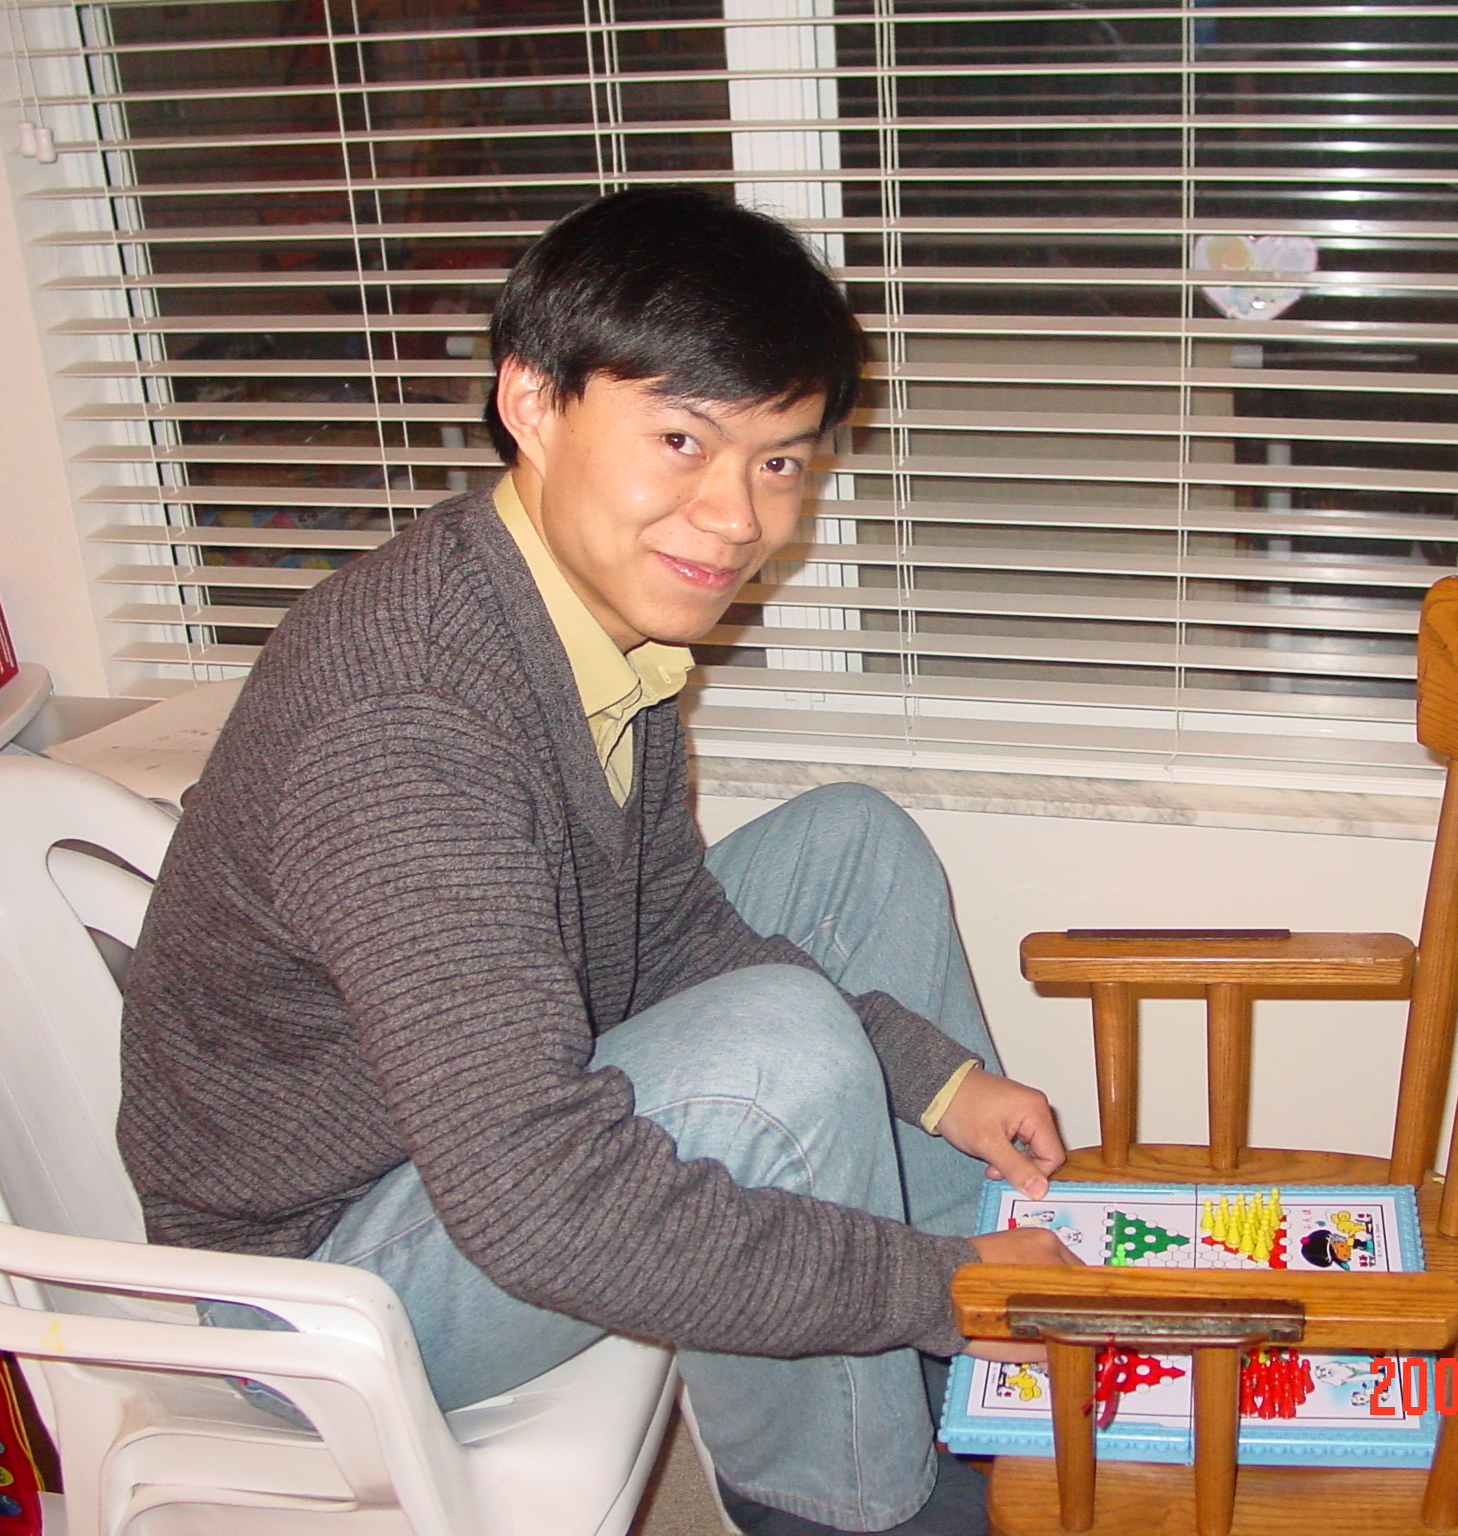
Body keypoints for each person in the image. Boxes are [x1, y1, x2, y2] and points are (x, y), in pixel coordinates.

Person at [117, 185, 1076, 1536]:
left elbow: (664, 926)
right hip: (314, 1281)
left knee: (856, 843)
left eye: (779, 462)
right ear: (531, 400)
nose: (736, 519)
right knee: (781, 1056)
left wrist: (939, 1080)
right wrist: (933, 1286)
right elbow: (540, 1204)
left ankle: (967, 1344)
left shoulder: (588, 613)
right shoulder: (408, 727)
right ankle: (843, 1487)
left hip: (459, 1126)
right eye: (682, 439)